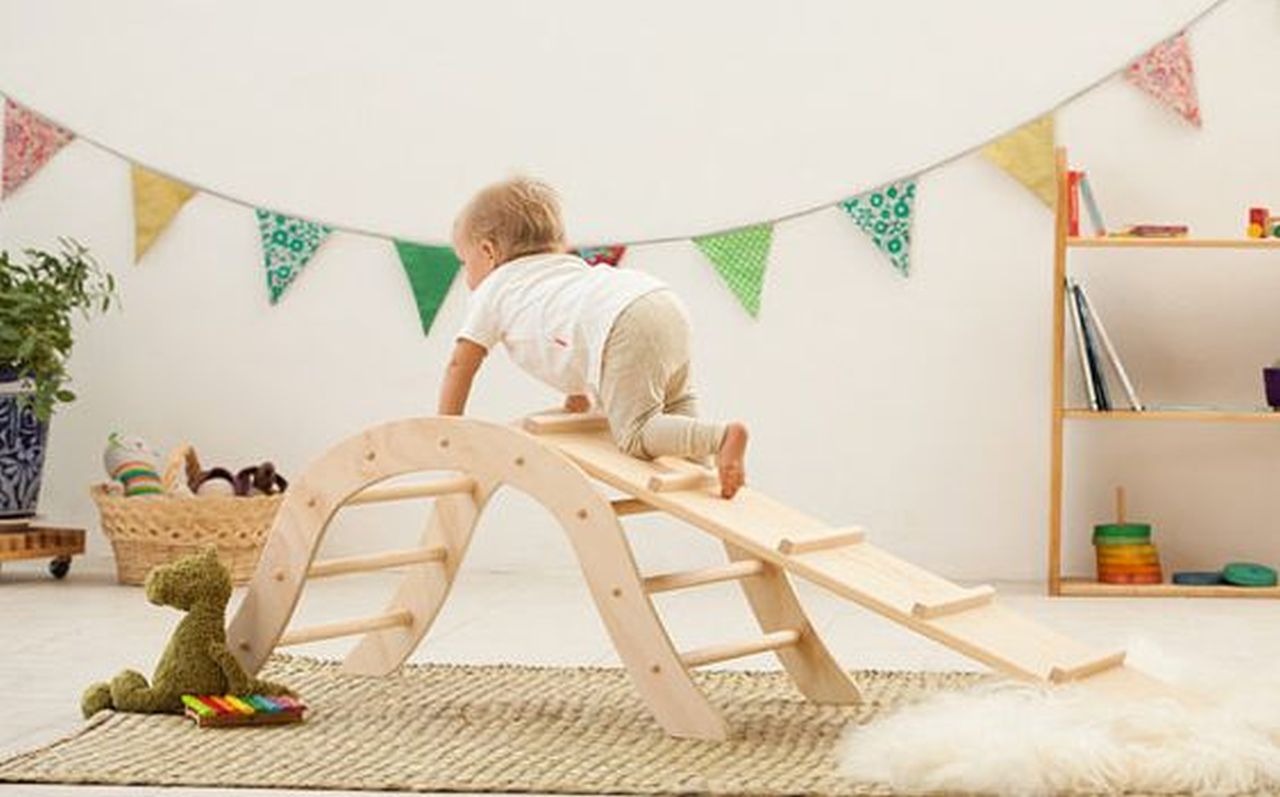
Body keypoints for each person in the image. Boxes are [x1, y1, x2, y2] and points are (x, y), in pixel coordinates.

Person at [437, 177, 749, 498]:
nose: (466, 275)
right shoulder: (563, 269)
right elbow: (573, 333)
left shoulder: (494, 288)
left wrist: (446, 428)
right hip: (660, 301)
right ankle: (705, 465)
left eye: (465, 262)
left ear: (487, 252)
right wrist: (578, 396)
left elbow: (460, 364)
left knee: (634, 433)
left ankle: (720, 438)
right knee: (677, 402)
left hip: (623, 322)